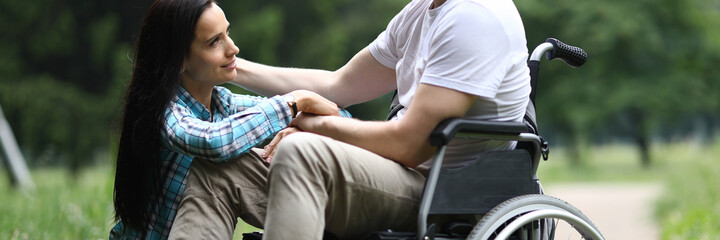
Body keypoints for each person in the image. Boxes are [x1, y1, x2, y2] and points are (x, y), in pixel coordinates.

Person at [230, 0, 532, 239]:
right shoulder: (422, 10)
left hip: (442, 191)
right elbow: (339, 86)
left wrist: (309, 124)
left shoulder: (474, 17)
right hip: (395, 172)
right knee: (221, 166)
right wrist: (231, 68)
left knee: (301, 151)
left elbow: (409, 145)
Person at [109, 0, 345, 239]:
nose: (233, 48)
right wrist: (294, 103)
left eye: (227, 33)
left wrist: (299, 128)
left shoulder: (224, 103)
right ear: (179, 58)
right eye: (214, 42)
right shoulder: (165, 113)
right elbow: (214, 141)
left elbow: (340, 114)